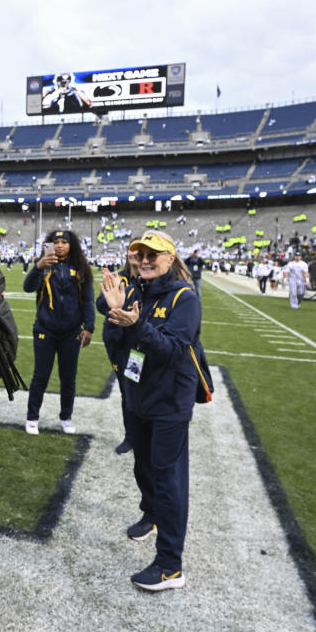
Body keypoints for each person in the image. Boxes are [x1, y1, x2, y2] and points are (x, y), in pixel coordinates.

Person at [100, 230, 202, 592]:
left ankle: (170, 566)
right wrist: (115, 311)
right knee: (143, 466)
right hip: (139, 396)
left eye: (153, 255)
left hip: (170, 402)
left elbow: (174, 350)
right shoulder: (136, 291)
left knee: (168, 479)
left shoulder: (184, 298)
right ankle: (153, 516)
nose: (144, 260)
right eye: (139, 254)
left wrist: (136, 324)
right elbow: (118, 341)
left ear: (170, 259)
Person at [24, 229, 94, 435]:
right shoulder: (45, 266)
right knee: (41, 376)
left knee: (68, 378)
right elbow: (28, 287)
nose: (61, 245)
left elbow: (88, 300)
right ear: (50, 245)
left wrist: (89, 327)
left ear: (72, 245)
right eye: (57, 242)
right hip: (46, 330)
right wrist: (38, 267)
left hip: (71, 332)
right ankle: (32, 417)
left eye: (65, 242)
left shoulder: (80, 268)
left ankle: (66, 417)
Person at [97, 239, 140, 454]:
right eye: (132, 248)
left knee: (139, 389)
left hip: (140, 345)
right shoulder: (119, 276)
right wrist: (112, 300)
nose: (135, 253)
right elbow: (99, 304)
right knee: (127, 390)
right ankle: (130, 436)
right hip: (118, 343)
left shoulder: (149, 278)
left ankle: (142, 435)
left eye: (140, 250)